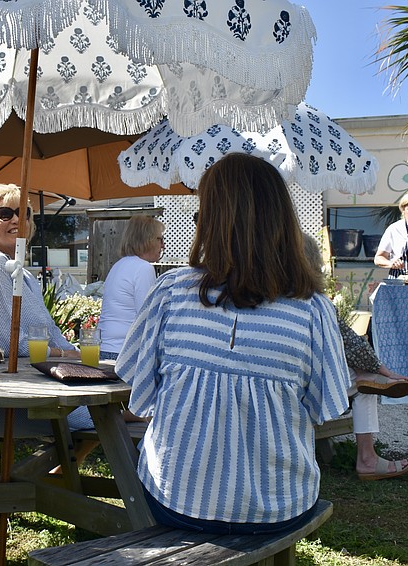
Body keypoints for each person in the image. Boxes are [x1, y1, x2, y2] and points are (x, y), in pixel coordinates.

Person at [116, 153, 351, 534]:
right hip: (279, 505)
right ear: (282, 221)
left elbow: (139, 393)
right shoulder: (312, 311)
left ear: (212, 221)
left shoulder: (171, 292)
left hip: (176, 498)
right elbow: (325, 407)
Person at [0, 185, 95, 437]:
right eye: (5, 213)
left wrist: (78, 355)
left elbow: (51, 332)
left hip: (39, 386)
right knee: (122, 413)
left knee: (123, 407)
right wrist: (65, 354)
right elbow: (5, 344)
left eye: (24, 214)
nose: (17, 220)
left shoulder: (23, 274)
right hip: (6, 398)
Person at [303, 234, 408, 480]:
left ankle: (367, 376)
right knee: (366, 385)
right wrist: (383, 370)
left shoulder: (261, 299)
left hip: (277, 385)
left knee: (361, 377)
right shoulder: (317, 304)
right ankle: (367, 458)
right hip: (309, 390)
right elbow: (351, 343)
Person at [99, 215, 165, 359]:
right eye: (160, 239)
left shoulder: (120, 265)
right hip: (125, 352)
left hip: (106, 348)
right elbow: (148, 318)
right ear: (147, 240)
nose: (163, 245)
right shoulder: (143, 268)